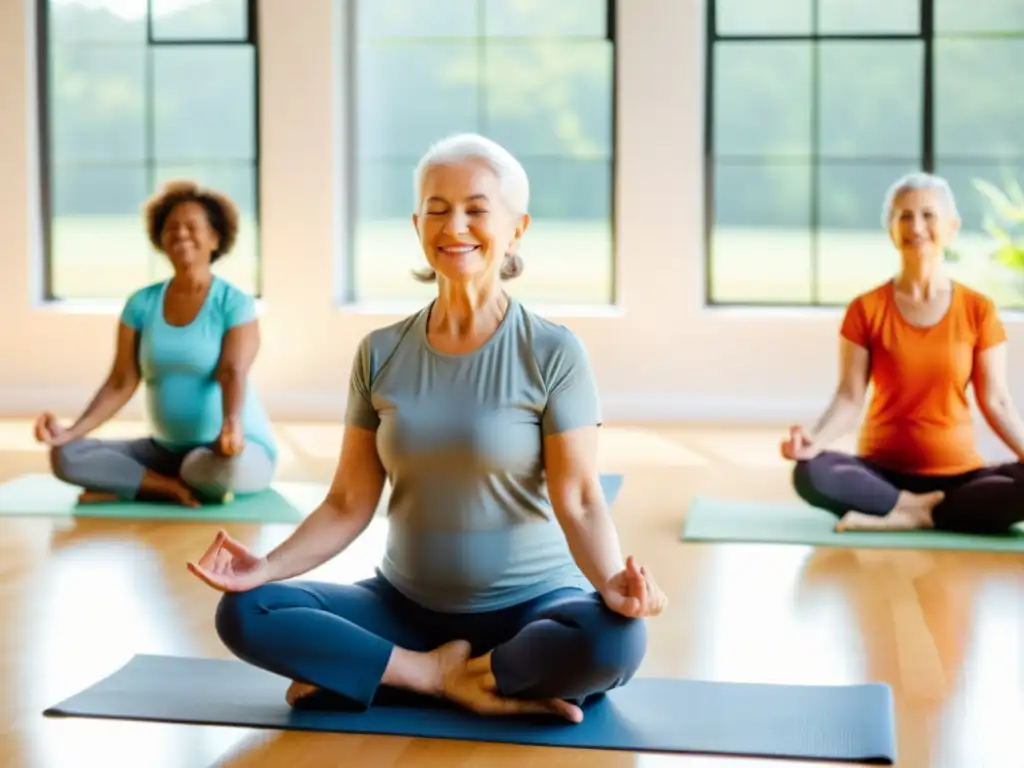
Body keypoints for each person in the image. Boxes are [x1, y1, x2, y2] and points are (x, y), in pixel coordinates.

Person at [187, 133, 666, 723]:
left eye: (476, 209)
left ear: (517, 228)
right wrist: (266, 567)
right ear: (417, 224)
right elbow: (346, 502)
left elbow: (581, 497)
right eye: (437, 210)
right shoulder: (380, 352)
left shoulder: (553, 352)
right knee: (244, 612)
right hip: (403, 609)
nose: (454, 225)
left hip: (534, 611)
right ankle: (436, 676)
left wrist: (614, 582)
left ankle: (382, 671)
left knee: (613, 642)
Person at [781, 171, 1024, 535]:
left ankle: (910, 514)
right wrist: (813, 443)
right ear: (890, 229)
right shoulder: (865, 309)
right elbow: (849, 397)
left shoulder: (979, 310)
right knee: (811, 472)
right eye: (904, 216)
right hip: (881, 474)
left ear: (952, 227)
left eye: (929, 215)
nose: (917, 226)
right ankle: (914, 508)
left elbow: (997, 401)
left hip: (959, 479)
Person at [33, 180, 278, 508]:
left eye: (192, 227)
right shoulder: (142, 304)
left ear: (215, 238)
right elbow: (121, 382)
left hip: (227, 451)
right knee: (66, 455)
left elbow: (233, 370)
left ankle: (131, 485)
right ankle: (166, 487)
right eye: (171, 227)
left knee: (214, 471)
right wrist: (70, 432)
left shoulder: (234, 303)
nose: (181, 234)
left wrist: (231, 426)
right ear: (160, 238)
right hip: (162, 450)